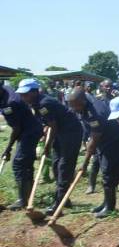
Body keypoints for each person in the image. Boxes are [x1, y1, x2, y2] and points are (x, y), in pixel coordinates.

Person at [18, 78, 83, 216]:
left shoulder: (43, 103)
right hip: (60, 131)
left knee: (64, 166)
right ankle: (65, 198)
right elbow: (50, 123)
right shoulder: (36, 103)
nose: (23, 97)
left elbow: (53, 126)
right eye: (21, 94)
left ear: (35, 92)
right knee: (55, 164)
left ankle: (58, 204)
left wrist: (47, 145)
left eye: (25, 94)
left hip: (71, 132)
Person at [68, 88, 119, 218]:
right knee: (105, 173)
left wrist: (84, 163)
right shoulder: (83, 107)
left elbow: (94, 138)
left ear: (82, 101)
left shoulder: (95, 112)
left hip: (113, 143)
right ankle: (105, 203)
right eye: (71, 105)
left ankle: (109, 207)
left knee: (108, 174)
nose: (73, 108)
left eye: (75, 105)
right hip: (103, 142)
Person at [0, 81, 43, 211]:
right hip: (29, 129)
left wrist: (8, 149)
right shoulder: (6, 89)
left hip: (28, 132)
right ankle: (28, 196)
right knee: (26, 164)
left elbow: (16, 129)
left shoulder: (9, 103)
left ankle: (23, 200)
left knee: (18, 163)